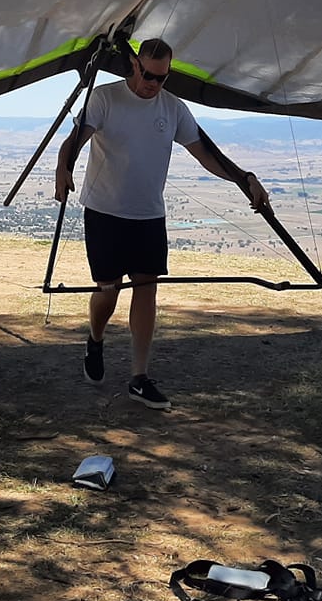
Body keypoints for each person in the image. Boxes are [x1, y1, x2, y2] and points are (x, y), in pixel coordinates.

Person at [53, 38, 269, 410]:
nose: (153, 84)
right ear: (134, 65)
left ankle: (139, 377)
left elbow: (206, 154)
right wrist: (63, 167)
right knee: (108, 291)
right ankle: (95, 339)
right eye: (148, 75)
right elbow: (74, 141)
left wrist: (244, 178)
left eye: (161, 78)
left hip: (149, 214)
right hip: (104, 211)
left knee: (146, 289)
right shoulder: (105, 98)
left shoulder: (173, 108)